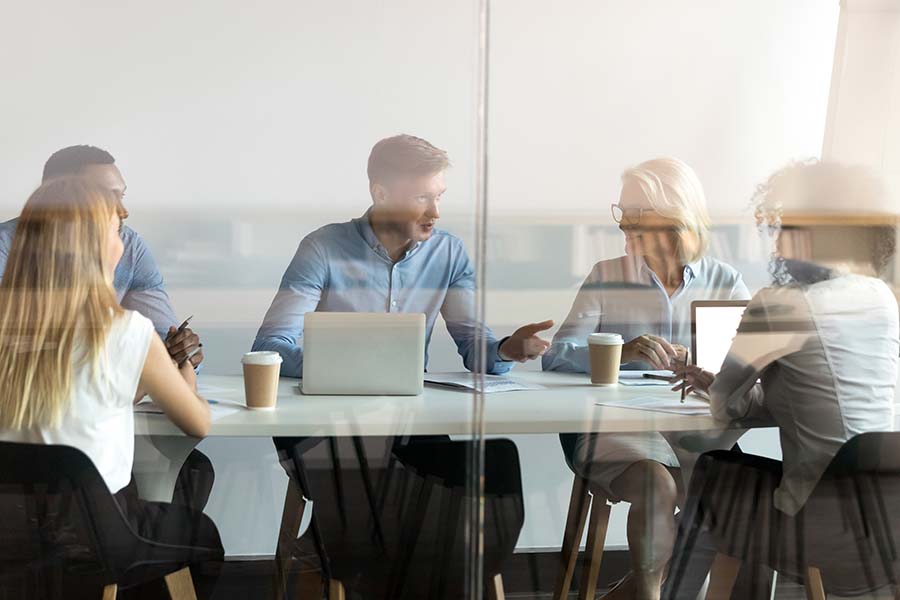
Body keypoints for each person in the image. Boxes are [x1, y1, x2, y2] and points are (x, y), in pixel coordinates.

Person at [669, 161, 899, 596]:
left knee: (712, 477)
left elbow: (723, 407)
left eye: (783, 229)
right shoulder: (881, 300)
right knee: (728, 483)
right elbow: (816, 394)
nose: (775, 242)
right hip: (887, 522)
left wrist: (716, 384)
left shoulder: (781, 306)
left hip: (822, 528)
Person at [0, 177, 223, 592]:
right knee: (202, 536)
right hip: (97, 538)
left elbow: (94, 394)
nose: (123, 244)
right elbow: (198, 422)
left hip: (11, 538)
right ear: (96, 248)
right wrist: (183, 362)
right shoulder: (127, 332)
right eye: (115, 232)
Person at [543, 158, 750, 600]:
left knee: (722, 498)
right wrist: (622, 351)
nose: (624, 225)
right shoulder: (607, 274)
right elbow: (557, 357)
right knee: (658, 486)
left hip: (692, 430)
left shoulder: (724, 281)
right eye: (623, 212)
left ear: (676, 216)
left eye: (637, 214)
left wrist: (705, 366)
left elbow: (747, 371)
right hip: (617, 427)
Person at [252, 133, 553, 373]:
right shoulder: (323, 249)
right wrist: (343, 368)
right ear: (380, 194)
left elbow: (474, 346)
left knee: (499, 453)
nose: (434, 212)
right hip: (331, 413)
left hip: (408, 416)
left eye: (438, 197)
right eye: (421, 197)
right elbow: (270, 347)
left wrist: (505, 349)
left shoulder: (448, 253)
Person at [0, 145, 204, 367]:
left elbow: (163, 343)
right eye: (104, 196)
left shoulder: (129, 247)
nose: (123, 210)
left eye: (121, 195)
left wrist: (183, 353)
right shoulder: (5, 246)